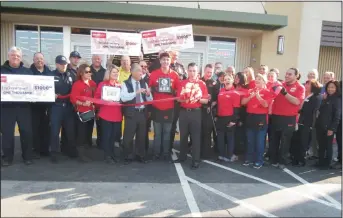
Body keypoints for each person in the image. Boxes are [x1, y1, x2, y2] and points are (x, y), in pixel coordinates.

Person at [1, 46, 34, 166]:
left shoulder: (27, 72)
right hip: (6, 107)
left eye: (18, 56)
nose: (15, 57)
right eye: (13, 55)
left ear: (21, 58)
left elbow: (33, 89)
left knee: (26, 132)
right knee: (7, 133)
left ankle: (27, 157)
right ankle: (7, 158)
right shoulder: (1, 70)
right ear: (8, 56)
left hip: (24, 107)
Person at [173, 62, 209, 169]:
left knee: (195, 137)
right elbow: (178, 99)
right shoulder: (182, 83)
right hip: (184, 112)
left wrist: (196, 98)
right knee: (183, 136)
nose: (192, 73)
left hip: (196, 113)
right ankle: (182, 156)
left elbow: (206, 101)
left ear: (197, 72)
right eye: (190, 70)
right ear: (187, 71)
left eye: (194, 71)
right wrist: (185, 96)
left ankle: (195, 160)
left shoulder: (202, 84)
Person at [270, 68, 305, 169]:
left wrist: (285, 93)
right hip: (276, 116)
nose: (287, 76)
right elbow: (271, 97)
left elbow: (297, 102)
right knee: (274, 140)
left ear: (296, 76)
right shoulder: (280, 85)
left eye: (290, 74)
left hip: (289, 118)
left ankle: (283, 161)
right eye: (286, 73)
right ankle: (274, 159)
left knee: (285, 141)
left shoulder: (300, 87)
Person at [149, 52, 179, 161]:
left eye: (167, 59)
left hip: (169, 108)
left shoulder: (175, 75)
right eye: (163, 59)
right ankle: (156, 152)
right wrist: (154, 89)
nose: (165, 61)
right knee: (157, 133)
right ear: (160, 61)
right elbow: (148, 88)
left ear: (170, 61)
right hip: (157, 107)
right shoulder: (154, 73)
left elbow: (178, 90)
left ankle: (166, 153)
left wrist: (172, 91)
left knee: (167, 132)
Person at [120, 63, 153, 164]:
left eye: (141, 70)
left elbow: (150, 100)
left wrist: (148, 94)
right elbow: (123, 98)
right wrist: (136, 92)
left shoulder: (144, 83)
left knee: (141, 136)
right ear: (132, 72)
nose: (141, 72)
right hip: (131, 113)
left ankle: (140, 155)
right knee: (128, 136)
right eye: (139, 70)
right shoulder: (126, 83)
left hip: (142, 113)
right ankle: (128, 156)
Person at [48, 55, 78, 163]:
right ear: (56, 64)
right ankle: (54, 153)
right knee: (55, 131)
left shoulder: (71, 75)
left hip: (68, 107)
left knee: (70, 130)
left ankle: (70, 150)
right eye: (61, 64)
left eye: (65, 64)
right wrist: (51, 95)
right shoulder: (51, 75)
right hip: (56, 107)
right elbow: (44, 90)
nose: (63, 66)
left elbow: (75, 89)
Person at [241, 74, 274, 169]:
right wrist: (250, 97)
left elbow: (265, 105)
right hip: (250, 117)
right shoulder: (250, 91)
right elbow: (243, 102)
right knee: (250, 140)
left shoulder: (267, 92)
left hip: (261, 118)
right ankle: (249, 159)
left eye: (259, 79)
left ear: (264, 81)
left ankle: (259, 160)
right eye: (256, 79)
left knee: (259, 141)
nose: (257, 80)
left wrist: (258, 96)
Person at [94, 65, 123, 164]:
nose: (115, 74)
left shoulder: (120, 85)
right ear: (109, 74)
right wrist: (104, 100)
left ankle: (112, 154)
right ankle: (108, 155)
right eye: (113, 72)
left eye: (117, 72)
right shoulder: (102, 85)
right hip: (106, 115)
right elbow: (96, 100)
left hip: (117, 115)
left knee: (114, 137)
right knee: (107, 136)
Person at [291, 79, 322, 167]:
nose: (306, 85)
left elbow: (311, 110)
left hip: (308, 123)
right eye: (306, 84)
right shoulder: (306, 95)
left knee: (304, 141)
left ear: (314, 86)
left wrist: (300, 110)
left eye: (308, 84)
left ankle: (301, 160)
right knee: (297, 140)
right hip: (300, 121)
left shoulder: (317, 97)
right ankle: (295, 158)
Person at [70, 64, 97, 161]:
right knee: (81, 134)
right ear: (81, 73)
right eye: (87, 72)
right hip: (81, 113)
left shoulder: (93, 84)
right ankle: (81, 155)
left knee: (88, 133)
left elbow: (96, 97)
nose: (89, 73)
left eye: (90, 71)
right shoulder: (77, 84)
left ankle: (87, 152)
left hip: (91, 112)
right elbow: (73, 99)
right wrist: (82, 103)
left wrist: (94, 103)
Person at [315, 80, 341, 169]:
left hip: (329, 127)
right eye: (329, 87)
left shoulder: (337, 99)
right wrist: (324, 100)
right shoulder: (326, 97)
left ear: (336, 88)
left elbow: (337, 116)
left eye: (332, 87)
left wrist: (332, 128)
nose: (330, 89)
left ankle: (327, 163)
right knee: (321, 145)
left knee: (328, 146)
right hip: (320, 125)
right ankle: (320, 161)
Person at [30, 52, 51, 157]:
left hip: (46, 106)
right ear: (33, 60)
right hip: (33, 106)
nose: (39, 60)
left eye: (41, 59)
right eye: (37, 59)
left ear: (44, 60)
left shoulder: (49, 73)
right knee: (35, 128)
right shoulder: (29, 73)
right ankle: (36, 149)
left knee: (45, 128)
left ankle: (45, 149)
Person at [216, 74, 240, 162]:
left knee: (230, 138)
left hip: (230, 118)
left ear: (233, 80)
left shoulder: (235, 93)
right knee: (220, 138)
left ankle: (230, 155)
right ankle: (221, 155)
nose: (227, 81)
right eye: (225, 79)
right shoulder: (221, 91)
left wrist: (234, 120)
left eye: (229, 79)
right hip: (220, 118)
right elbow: (219, 105)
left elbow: (236, 108)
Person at [200, 64, 219, 159]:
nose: (209, 74)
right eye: (207, 72)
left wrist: (211, 105)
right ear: (204, 70)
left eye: (211, 73)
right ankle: (196, 150)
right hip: (198, 109)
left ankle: (205, 153)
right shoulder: (199, 81)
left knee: (207, 132)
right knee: (197, 131)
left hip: (208, 111)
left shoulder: (215, 83)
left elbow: (217, 99)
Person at [91, 54, 107, 149]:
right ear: (92, 60)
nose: (97, 60)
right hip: (89, 102)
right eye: (95, 59)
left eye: (99, 59)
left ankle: (100, 143)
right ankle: (87, 143)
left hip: (101, 103)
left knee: (101, 124)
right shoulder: (88, 70)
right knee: (88, 124)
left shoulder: (105, 72)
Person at [233, 72, 249, 157]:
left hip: (241, 113)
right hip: (232, 113)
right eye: (235, 77)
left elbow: (245, 105)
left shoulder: (245, 90)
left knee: (240, 133)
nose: (235, 79)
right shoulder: (232, 88)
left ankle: (239, 150)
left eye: (237, 78)